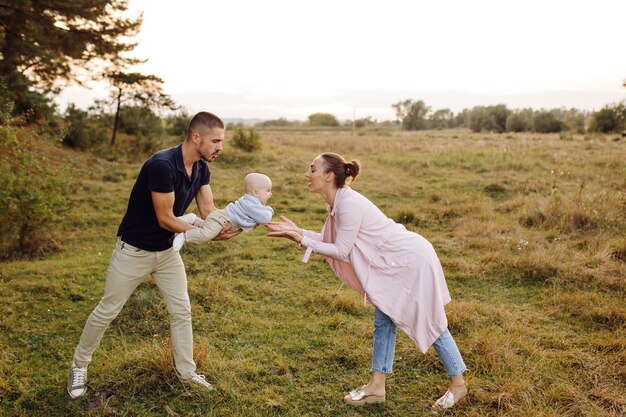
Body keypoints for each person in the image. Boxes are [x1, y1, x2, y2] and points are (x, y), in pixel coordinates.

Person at [266, 153, 468, 410]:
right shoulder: (338, 203)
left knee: (430, 320)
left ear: (329, 176)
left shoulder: (348, 203)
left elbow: (341, 250)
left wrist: (302, 240)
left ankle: (458, 384)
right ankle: (376, 386)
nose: (308, 174)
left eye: (312, 169)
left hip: (409, 262)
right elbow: (337, 242)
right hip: (392, 264)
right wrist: (300, 232)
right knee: (383, 320)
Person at [67, 111, 240, 399]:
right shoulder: (162, 165)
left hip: (168, 251)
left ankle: (186, 372)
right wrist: (201, 233)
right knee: (107, 311)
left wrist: (235, 222)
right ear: (196, 137)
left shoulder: (200, 168)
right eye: (216, 141)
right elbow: (166, 218)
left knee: (181, 311)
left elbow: (208, 211)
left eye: (222, 141)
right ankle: (79, 365)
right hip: (133, 251)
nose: (220, 147)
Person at [173, 173, 274, 252]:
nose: (270, 194)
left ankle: (193, 219)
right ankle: (184, 236)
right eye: (268, 191)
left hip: (221, 218)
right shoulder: (251, 204)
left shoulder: (251, 201)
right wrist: (269, 209)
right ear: (255, 192)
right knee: (206, 234)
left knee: (206, 227)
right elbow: (265, 218)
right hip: (222, 220)